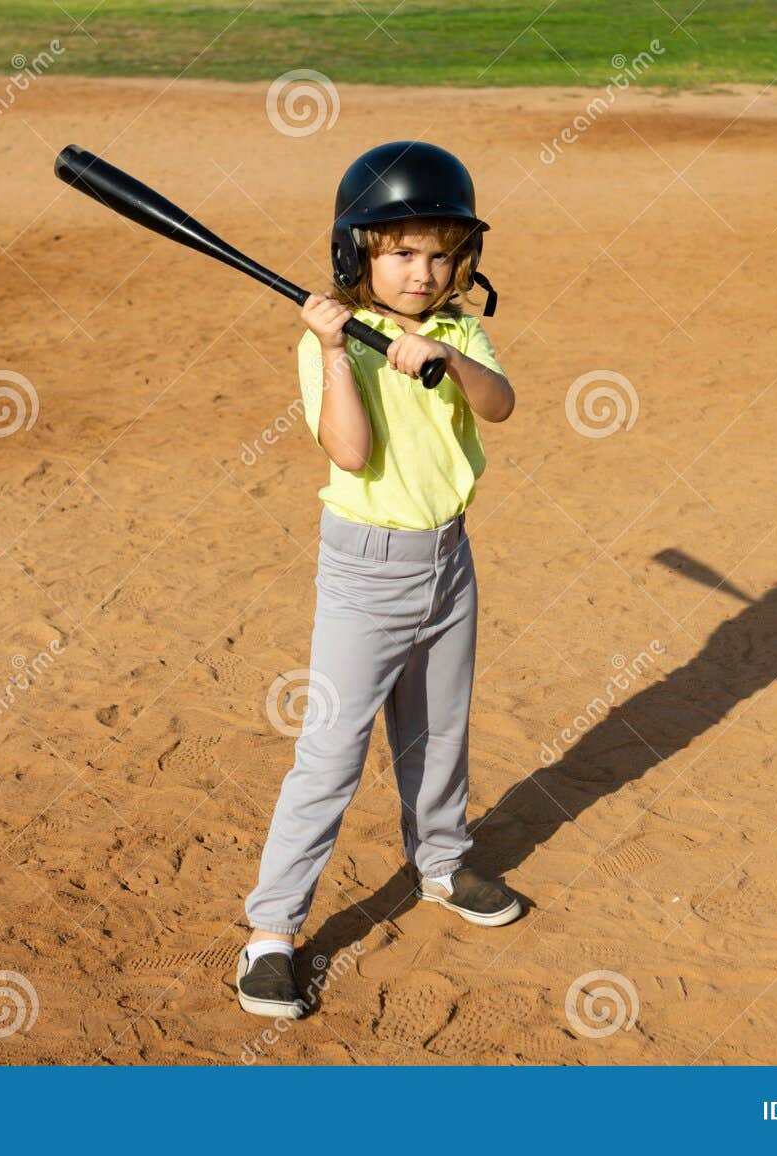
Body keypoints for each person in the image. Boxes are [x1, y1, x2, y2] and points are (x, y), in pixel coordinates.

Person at [237, 141, 519, 1019]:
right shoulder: (330, 343)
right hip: (366, 569)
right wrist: (337, 352)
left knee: (438, 731)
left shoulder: (460, 331)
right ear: (356, 251)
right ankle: (273, 934)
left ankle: (439, 863)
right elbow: (350, 451)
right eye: (400, 252)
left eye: (439, 254)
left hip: (450, 560)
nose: (421, 271)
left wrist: (439, 354)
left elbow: (500, 404)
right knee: (329, 753)